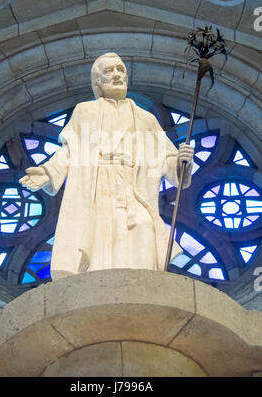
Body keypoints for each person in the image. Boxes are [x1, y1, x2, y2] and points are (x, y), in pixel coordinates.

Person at [19, 53, 194, 280]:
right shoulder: (85, 111)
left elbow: (167, 161)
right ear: (97, 82)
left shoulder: (145, 118)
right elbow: (72, 150)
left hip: (134, 188)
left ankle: (142, 288)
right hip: (98, 187)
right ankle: (100, 289)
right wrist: (48, 172)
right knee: (100, 236)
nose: (117, 75)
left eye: (121, 70)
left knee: (143, 226)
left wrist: (182, 162)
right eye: (109, 71)